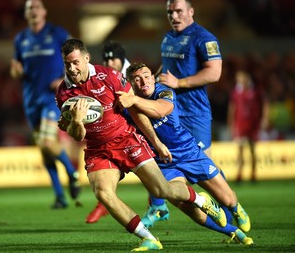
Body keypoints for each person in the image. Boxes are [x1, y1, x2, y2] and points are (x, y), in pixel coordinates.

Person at [55, 38, 226, 251]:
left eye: (75, 62)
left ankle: (201, 201)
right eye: (67, 64)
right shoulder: (64, 93)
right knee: (103, 193)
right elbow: (76, 134)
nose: (71, 68)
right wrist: (77, 121)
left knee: (162, 190)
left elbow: (134, 109)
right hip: (98, 148)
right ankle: (148, 239)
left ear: (86, 58)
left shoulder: (109, 77)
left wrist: (156, 141)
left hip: (126, 139)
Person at [119, 62, 253, 245]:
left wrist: (133, 100)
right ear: (131, 84)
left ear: (152, 77)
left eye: (147, 76)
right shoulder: (128, 107)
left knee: (227, 198)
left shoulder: (164, 91)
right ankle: (232, 230)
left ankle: (236, 209)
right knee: (192, 210)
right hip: (164, 163)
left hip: (189, 153)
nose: (144, 81)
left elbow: (161, 110)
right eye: (137, 79)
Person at [148, 0, 228, 227]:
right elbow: (167, 68)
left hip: (194, 112)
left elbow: (214, 72)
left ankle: (230, 209)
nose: (174, 16)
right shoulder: (167, 38)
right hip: (171, 112)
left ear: (191, 11)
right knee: (162, 159)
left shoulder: (204, 38)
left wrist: (179, 83)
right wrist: (154, 80)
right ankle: (159, 206)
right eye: (170, 12)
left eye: (179, 11)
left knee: (205, 165)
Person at [85, 41, 170, 225]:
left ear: (121, 58)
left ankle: (159, 205)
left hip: (144, 121)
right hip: (124, 125)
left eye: (112, 59)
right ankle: (155, 204)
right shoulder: (105, 75)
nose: (108, 63)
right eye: (106, 59)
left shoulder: (132, 75)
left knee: (151, 161)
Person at [10, 0, 81, 209]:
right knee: (43, 149)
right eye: (29, 8)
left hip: (53, 97)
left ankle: (72, 172)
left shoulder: (57, 34)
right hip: (31, 99)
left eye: (37, 7)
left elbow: (77, 57)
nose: (33, 11)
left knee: (48, 143)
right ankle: (59, 196)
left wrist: (65, 79)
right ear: (25, 14)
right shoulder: (21, 39)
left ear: (44, 12)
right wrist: (15, 70)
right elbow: (16, 66)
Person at [228, 70, 267, 182]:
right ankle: (239, 173)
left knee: (252, 149)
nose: (239, 81)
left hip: (252, 124)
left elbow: (264, 103)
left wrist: (264, 118)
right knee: (240, 150)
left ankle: (253, 173)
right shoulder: (236, 92)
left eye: (241, 78)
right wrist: (231, 122)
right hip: (241, 124)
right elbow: (232, 107)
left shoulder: (255, 91)